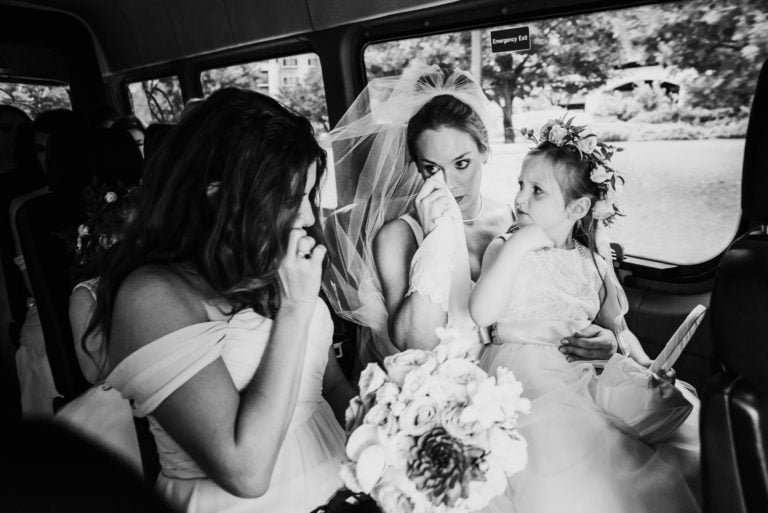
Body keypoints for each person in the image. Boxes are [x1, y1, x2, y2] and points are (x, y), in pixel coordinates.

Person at [87, 88, 351, 513]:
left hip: (340, 483)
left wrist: (388, 438)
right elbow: (245, 471)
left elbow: (328, 381)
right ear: (217, 196)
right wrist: (296, 309)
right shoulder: (151, 296)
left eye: (308, 196)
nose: (306, 218)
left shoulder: (269, 260)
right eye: (288, 200)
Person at [469, 119, 700, 513]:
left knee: (671, 429)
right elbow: (482, 312)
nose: (520, 200)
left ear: (577, 208)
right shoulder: (506, 247)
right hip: (520, 380)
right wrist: (520, 243)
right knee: (569, 456)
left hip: (582, 377)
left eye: (536, 191)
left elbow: (619, 332)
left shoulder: (592, 261)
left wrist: (646, 365)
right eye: (519, 186)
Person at [321, 65, 618, 366]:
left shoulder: (517, 218)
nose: (448, 183)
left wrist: (608, 338)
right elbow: (416, 344)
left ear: (485, 151)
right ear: (417, 166)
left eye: (461, 164)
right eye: (431, 169)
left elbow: (562, 299)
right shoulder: (397, 237)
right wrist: (435, 239)